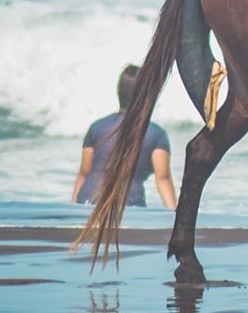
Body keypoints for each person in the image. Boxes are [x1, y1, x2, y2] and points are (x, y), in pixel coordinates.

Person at [73, 64, 176, 209]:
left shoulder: (96, 128)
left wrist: (73, 210)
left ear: (118, 93)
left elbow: (84, 173)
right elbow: (163, 179)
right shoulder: (156, 134)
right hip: (128, 204)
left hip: (87, 201)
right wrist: (175, 217)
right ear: (146, 95)